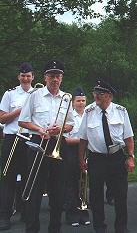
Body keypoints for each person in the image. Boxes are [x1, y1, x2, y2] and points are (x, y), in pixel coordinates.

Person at [18, 60, 74, 233]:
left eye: (58, 76)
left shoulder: (67, 98)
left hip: (58, 144)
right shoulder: (35, 95)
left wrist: (61, 128)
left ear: (62, 78)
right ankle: (32, 228)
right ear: (45, 77)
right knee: (35, 188)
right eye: (51, 76)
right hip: (38, 142)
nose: (54, 79)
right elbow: (23, 120)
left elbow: (71, 124)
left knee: (58, 189)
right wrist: (39, 129)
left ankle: (54, 228)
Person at [78, 79, 134, 233]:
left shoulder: (121, 111)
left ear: (109, 96)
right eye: (95, 92)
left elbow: (128, 138)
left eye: (100, 93)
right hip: (97, 159)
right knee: (96, 196)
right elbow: (83, 139)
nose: (96, 95)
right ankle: (99, 228)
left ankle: (121, 227)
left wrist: (130, 157)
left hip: (117, 157)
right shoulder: (89, 112)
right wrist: (81, 159)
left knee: (120, 194)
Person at [0, 62, 34, 230]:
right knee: (8, 179)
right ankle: (5, 216)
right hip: (12, 138)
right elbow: (2, 119)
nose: (25, 78)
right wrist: (20, 111)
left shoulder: (39, 94)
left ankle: (27, 214)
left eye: (28, 75)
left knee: (29, 179)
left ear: (33, 77)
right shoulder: (10, 94)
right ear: (19, 77)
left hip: (30, 139)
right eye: (23, 75)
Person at [63, 87, 90, 227]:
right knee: (71, 184)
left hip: (87, 151)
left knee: (84, 185)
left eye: (83, 100)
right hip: (71, 152)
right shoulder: (68, 116)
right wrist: (83, 141)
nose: (81, 103)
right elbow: (65, 140)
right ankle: (71, 215)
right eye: (78, 100)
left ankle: (84, 213)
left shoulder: (89, 115)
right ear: (73, 102)